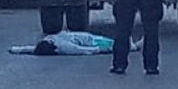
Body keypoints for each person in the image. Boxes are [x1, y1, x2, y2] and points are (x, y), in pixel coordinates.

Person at [9, 32, 143, 56]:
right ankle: (135, 46)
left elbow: (29, 49)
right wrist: (99, 49)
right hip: (90, 41)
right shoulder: (64, 48)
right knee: (114, 44)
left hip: (85, 37)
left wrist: (15, 49)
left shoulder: (42, 46)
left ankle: (131, 44)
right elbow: (84, 50)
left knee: (115, 42)